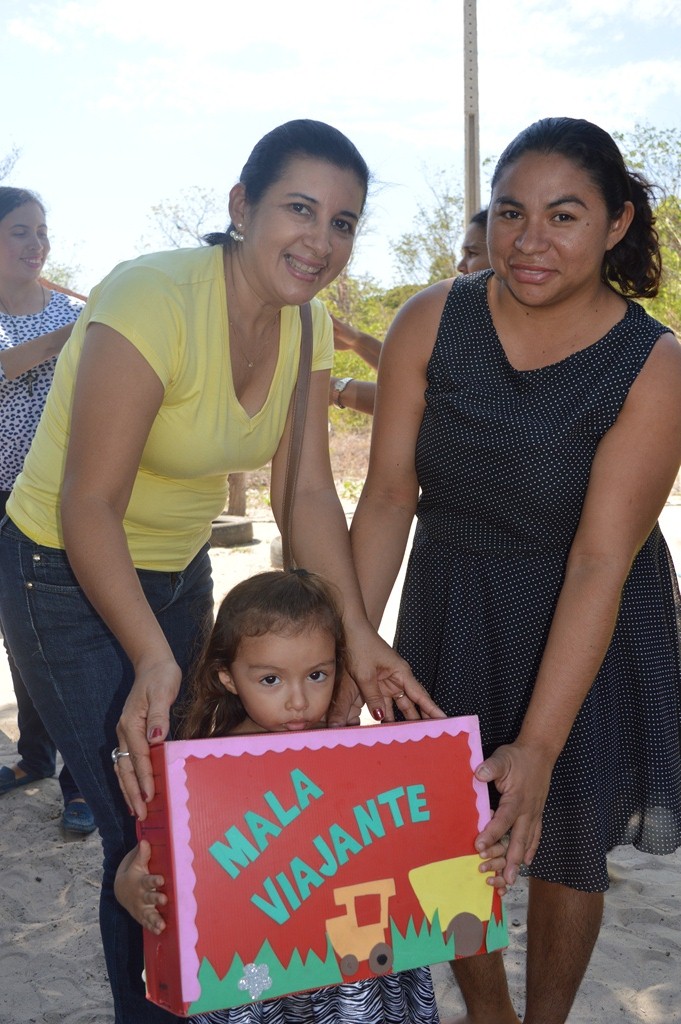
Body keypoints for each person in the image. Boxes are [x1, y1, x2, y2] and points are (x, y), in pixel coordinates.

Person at [0, 119, 441, 1023]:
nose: (320, 242)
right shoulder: (151, 295)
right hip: (59, 568)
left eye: (345, 223)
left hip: (178, 571)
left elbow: (307, 490)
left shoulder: (309, 323)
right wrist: (155, 663)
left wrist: (359, 636)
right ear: (241, 207)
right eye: (299, 209)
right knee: (147, 831)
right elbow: (89, 504)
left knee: (209, 811)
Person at [348, 117, 681, 1024]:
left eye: (563, 216)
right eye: (509, 213)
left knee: (566, 834)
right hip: (450, 600)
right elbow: (384, 499)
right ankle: (489, 1014)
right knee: (443, 834)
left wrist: (535, 746)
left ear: (614, 225)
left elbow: (599, 558)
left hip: (585, 613)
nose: (529, 242)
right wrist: (354, 642)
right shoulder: (430, 316)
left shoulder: (651, 366)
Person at [115, 568, 508, 1023]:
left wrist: (479, 858)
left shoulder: (360, 757)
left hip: (360, 984)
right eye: (270, 680)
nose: (298, 701)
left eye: (317, 675)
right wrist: (130, 885)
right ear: (227, 678)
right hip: (257, 993)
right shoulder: (202, 767)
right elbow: (152, 856)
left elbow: (420, 842)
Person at [0, 186, 94, 834]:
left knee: (60, 642)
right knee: (19, 639)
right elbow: (9, 365)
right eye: (20, 232)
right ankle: (33, 757)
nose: (38, 245)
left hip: (56, 501)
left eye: (43, 232)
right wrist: (74, 331)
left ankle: (80, 782)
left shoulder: (68, 312)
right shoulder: (69, 321)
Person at [330, 209, 490, 416]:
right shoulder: (468, 322)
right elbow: (415, 375)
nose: (460, 266)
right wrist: (357, 341)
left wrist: (337, 389)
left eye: (472, 254)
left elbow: (430, 402)